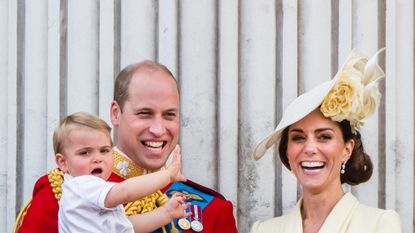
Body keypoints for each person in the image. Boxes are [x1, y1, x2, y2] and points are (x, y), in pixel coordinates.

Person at [16, 60, 237, 233]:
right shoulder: (63, 189)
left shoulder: (212, 210)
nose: (159, 129)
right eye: (145, 114)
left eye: (169, 115)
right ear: (115, 113)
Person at [250, 48, 402, 233]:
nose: (310, 148)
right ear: (287, 152)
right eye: (298, 138)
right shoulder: (263, 230)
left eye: (324, 137)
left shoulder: (380, 224)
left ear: (347, 149)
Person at [54, 112, 190, 233]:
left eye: (104, 150)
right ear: (63, 162)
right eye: (84, 153)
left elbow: (126, 226)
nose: (97, 159)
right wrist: (168, 175)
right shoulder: (82, 185)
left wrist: (165, 213)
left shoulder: (86, 193)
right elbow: (125, 192)